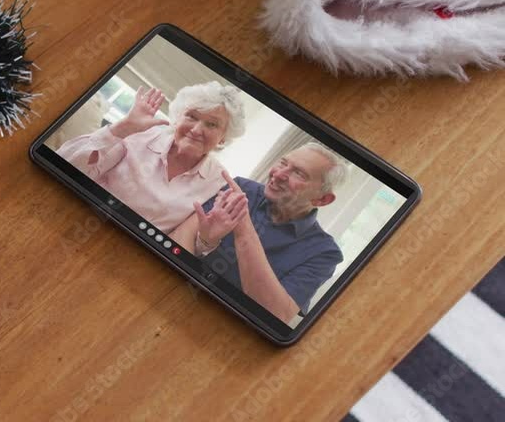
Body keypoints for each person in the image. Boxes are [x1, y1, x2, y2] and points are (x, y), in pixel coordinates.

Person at [171, 143, 347, 323]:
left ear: (322, 199)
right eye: (283, 163)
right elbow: (177, 239)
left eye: (299, 173)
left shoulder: (325, 254)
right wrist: (203, 245)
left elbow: (275, 314)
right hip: (174, 289)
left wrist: (244, 229)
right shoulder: (242, 189)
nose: (278, 174)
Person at [57, 81, 246, 235]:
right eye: (191, 116)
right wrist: (123, 128)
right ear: (178, 117)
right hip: (79, 218)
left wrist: (208, 239)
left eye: (212, 124)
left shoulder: (218, 183)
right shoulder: (141, 134)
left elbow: (189, 243)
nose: (196, 130)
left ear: (224, 137)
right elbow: (64, 165)